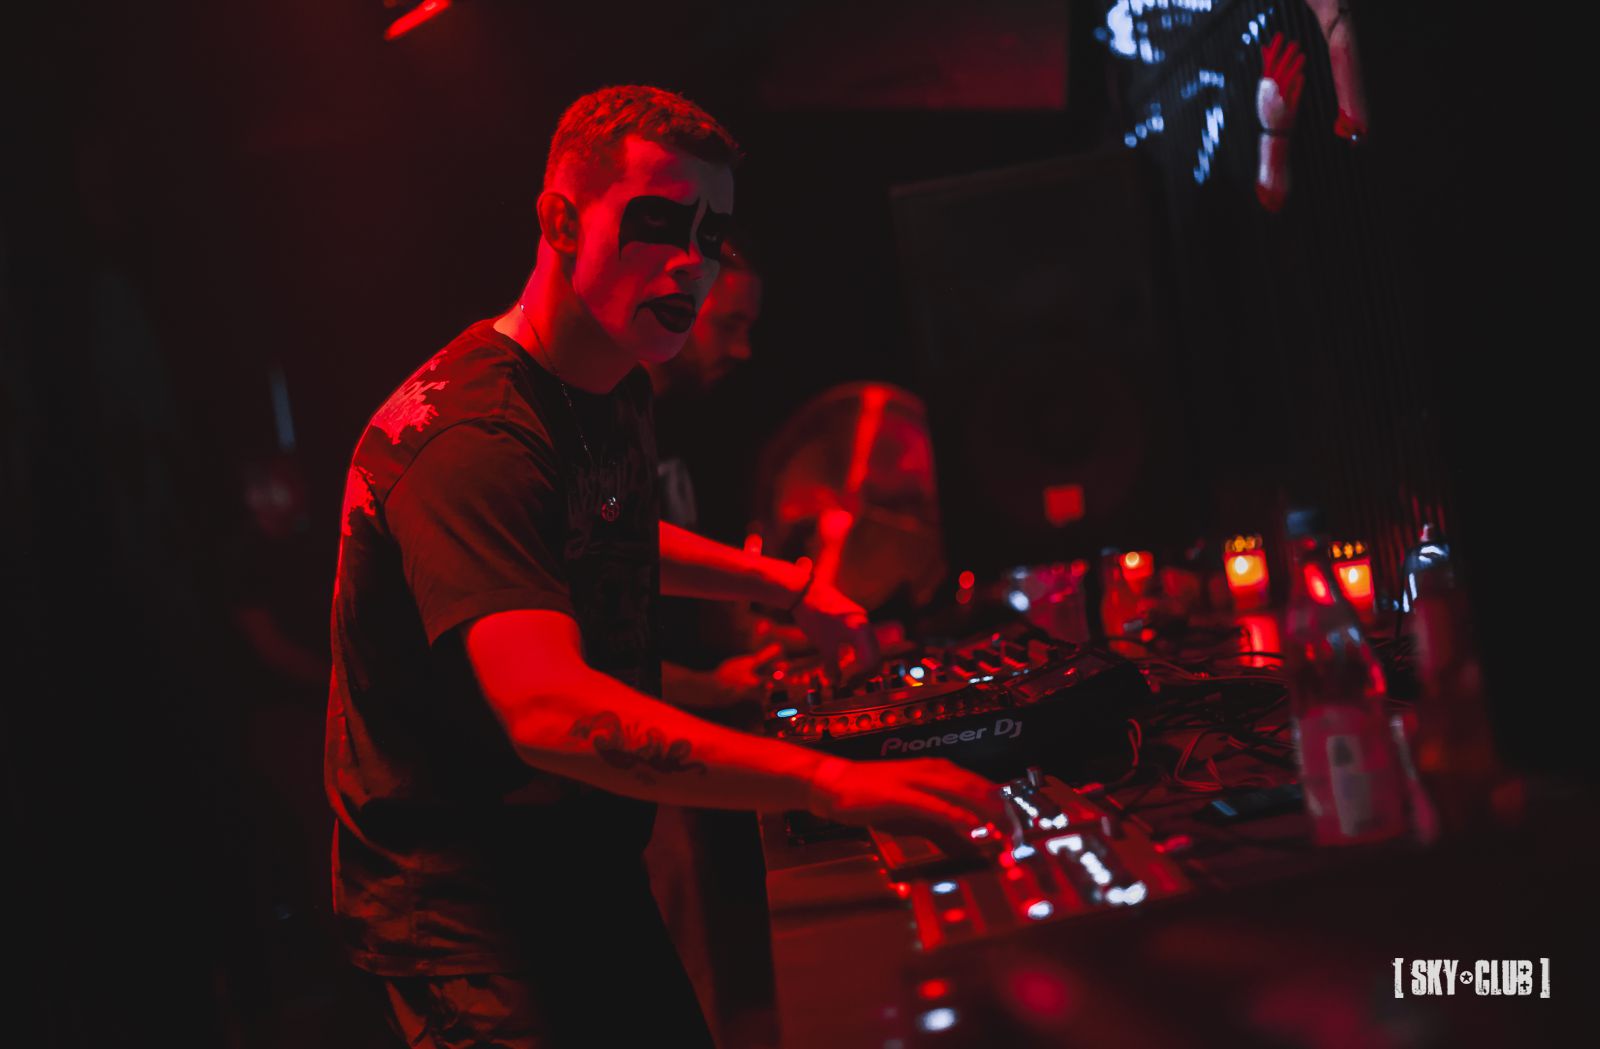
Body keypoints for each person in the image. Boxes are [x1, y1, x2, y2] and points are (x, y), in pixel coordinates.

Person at [325, 84, 1005, 1047]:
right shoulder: (470, 438)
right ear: (560, 222)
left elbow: (608, 532)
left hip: (581, 868)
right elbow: (547, 709)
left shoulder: (612, 385)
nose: (693, 263)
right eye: (657, 225)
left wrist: (785, 585)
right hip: (468, 915)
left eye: (709, 235)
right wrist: (825, 780)